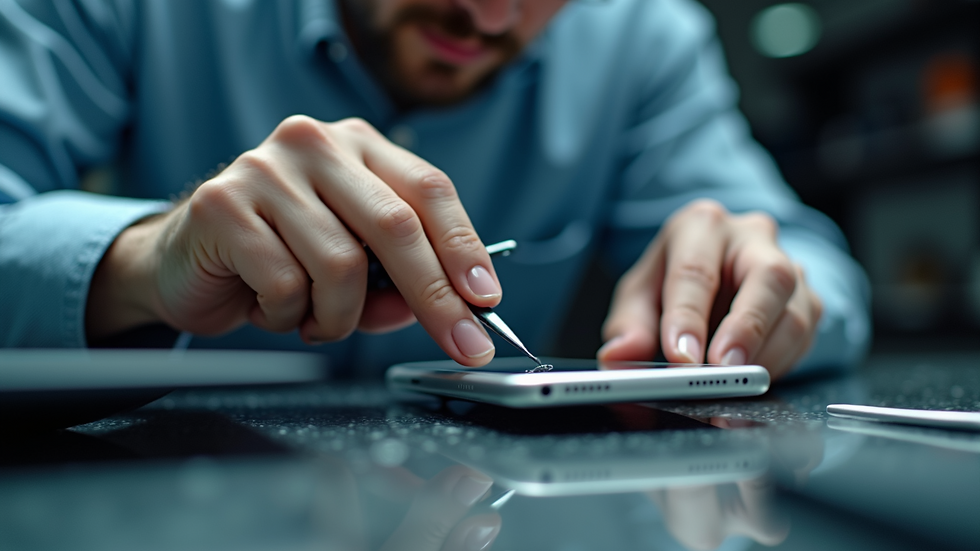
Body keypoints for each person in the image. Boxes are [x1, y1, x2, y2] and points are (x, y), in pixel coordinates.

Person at [0, 0, 870, 379]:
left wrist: (757, 288)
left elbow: (815, 264)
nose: (491, 19)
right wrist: (149, 260)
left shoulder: (645, 39)